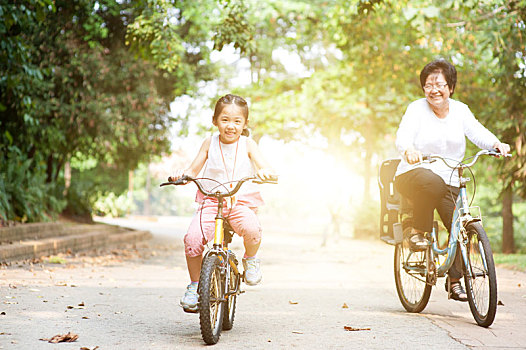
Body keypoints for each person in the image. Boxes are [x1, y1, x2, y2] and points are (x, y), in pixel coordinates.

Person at [394, 58, 510, 302]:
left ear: (451, 87)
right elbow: (403, 135)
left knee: (460, 227)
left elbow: (477, 132)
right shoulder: (416, 109)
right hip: (414, 173)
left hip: (449, 179)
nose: (434, 90)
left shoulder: (460, 110)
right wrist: (408, 150)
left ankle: (455, 281)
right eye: (428, 85)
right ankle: (418, 230)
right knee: (432, 182)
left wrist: (496, 144)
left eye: (440, 85)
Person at [169, 94, 276, 313]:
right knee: (192, 239)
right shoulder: (209, 142)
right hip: (212, 200)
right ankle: (195, 285)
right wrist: (182, 175)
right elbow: (193, 169)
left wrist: (265, 172)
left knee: (253, 229)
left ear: (245, 124)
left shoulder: (248, 144)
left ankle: (251, 259)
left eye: (237, 121)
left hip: (240, 201)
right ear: (215, 120)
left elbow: (265, 166)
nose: (231, 126)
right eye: (225, 119)